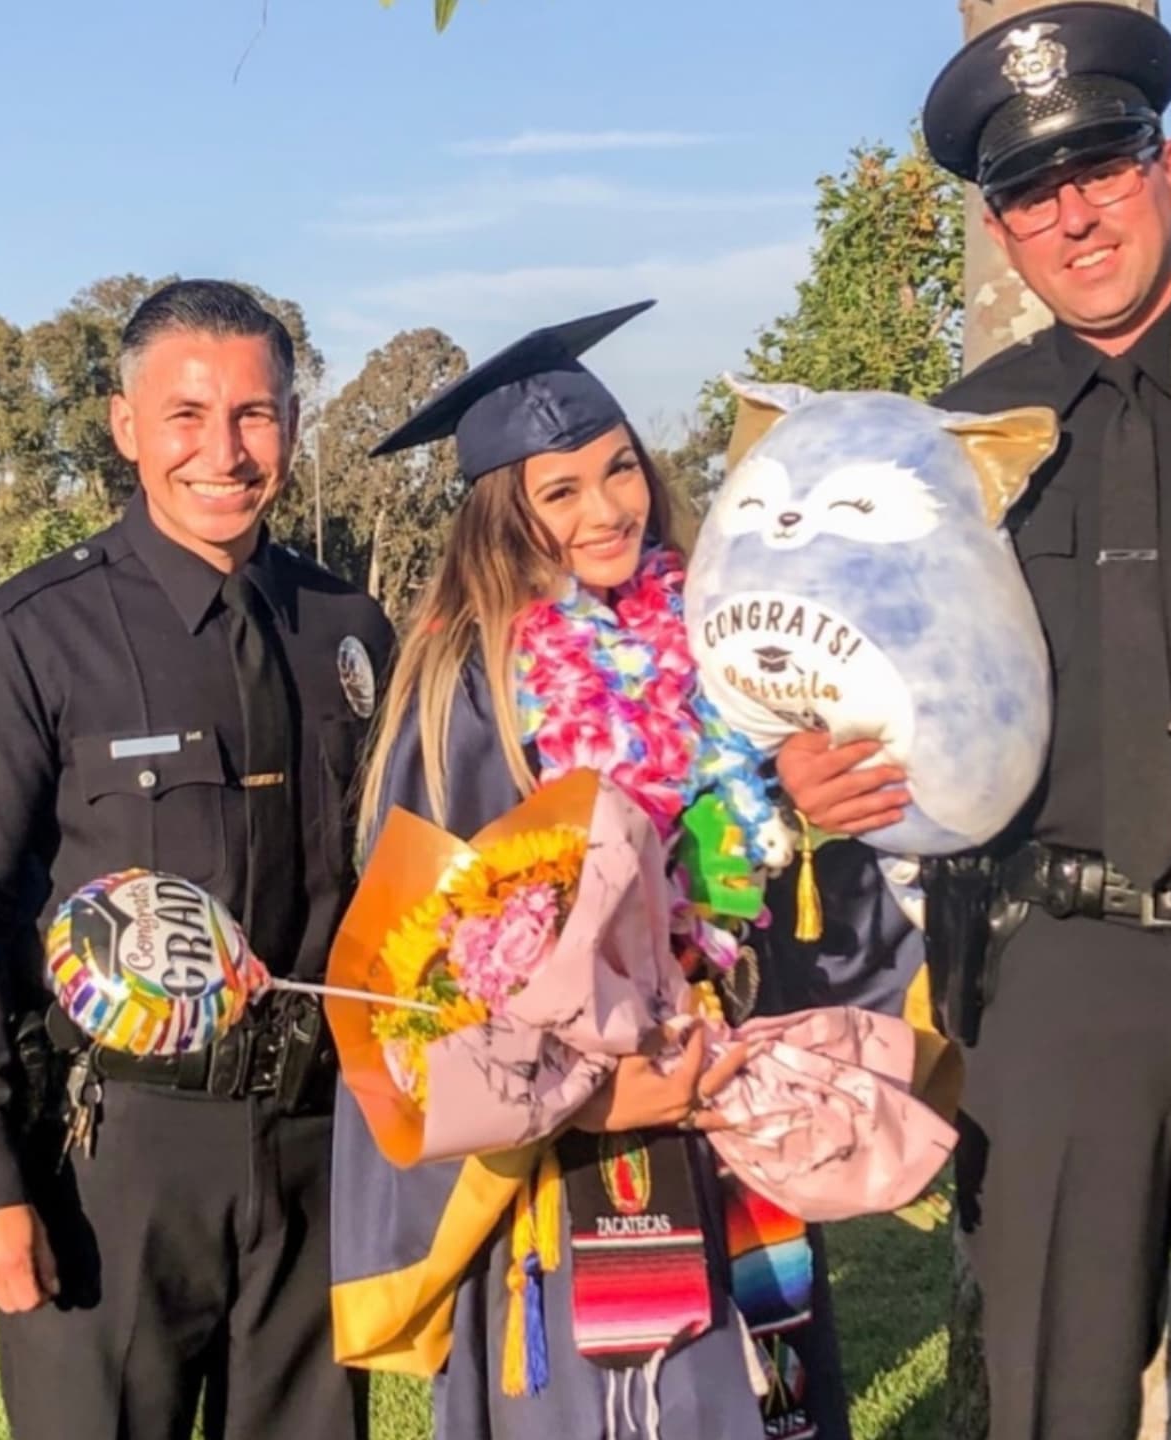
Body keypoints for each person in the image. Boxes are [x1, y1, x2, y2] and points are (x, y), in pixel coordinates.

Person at [776, 7, 1171, 1439]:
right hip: (1054, 979)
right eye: (1030, 192)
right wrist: (807, 769)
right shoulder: (940, 452)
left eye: (1103, 167)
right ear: (1000, 227)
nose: (1073, 216)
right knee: (1050, 1392)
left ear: (1170, 172)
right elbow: (847, 675)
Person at [330, 300, 852, 1440]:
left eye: (619, 470)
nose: (608, 510)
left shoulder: (718, 642)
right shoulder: (471, 686)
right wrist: (591, 1091)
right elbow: (419, 971)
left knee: (761, 1393)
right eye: (559, 492)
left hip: (723, 1102)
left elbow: (756, 873)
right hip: (568, 1150)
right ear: (503, 518)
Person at [0, 279, 393, 1440]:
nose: (225, 452)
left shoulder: (348, 629)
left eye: (254, 415)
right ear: (125, 427)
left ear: (292, 424)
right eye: (187, 416)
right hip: (117, 1157)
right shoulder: (30, 636)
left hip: (317, 1146)